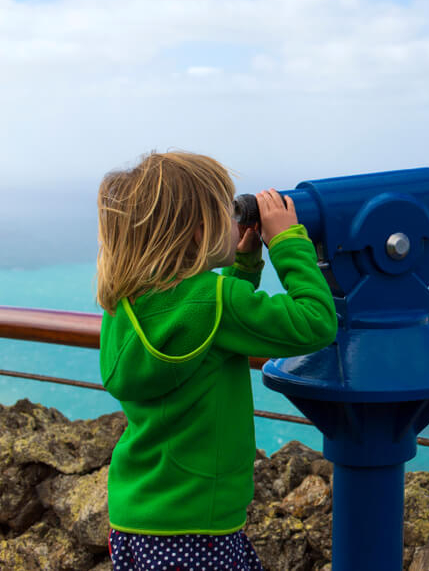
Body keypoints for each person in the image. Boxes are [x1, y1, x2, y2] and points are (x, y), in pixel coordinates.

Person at [96, 151, 338, 570]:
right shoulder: (216, 301)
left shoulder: (126, 302)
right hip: (200, 528)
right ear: (198, 231)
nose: (238, 219)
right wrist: (287, 241)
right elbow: (316, 322)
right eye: (229, 210)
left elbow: (208, 330)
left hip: (138, 519)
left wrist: (244, 265)